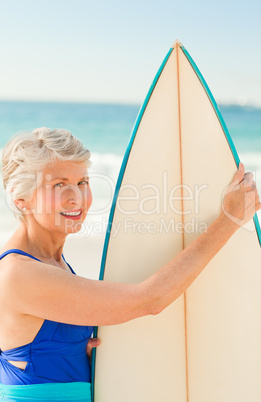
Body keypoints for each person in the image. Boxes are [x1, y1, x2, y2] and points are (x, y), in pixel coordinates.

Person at [0, 127, 260, 402]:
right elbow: (150, 299)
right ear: (21, 199)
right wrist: (228, 220)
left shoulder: (50, 262)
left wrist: (76, 351)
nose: (76, 197)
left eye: (82, 182)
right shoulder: (20, 273)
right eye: (59, 185)